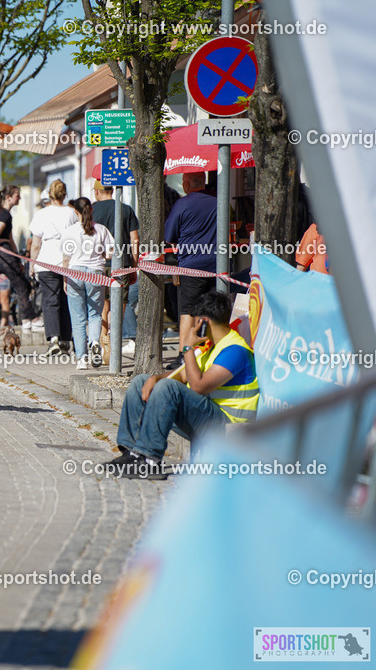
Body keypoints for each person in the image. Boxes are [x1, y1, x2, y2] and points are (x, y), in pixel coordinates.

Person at [106, 291, 259, 479]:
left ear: (203, 322)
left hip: (227, 426)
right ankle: (132, 454)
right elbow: (184, 374)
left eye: (195, 322)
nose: (193, 327)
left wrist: (187, 348)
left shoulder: (234, 350)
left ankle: (150, 461)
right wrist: (154, 379)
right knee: (141, 382)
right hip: (210, 416)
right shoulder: (212, 346)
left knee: (168, 388)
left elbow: (198, 386)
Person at [164, 172, 218, 367]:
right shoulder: (218, 201)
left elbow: (169, 236)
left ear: (186, 184)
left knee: (187, 311)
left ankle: (183, 356)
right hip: (217, 265)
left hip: (190, 266)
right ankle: (210, 352)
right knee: (211, 310)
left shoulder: (182, 204)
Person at [64, 198, 114, 369]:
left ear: (75, 211)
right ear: (91, 210)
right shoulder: (101, 229)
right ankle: (94, 342)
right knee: (95, 314)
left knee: (77, 318)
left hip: (75, 273)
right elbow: (111, 253)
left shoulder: (70, 231)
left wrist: (65, 280)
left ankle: (82, 359)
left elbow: (66, 258)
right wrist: (101, 254)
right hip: (96, 274)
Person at [29, 179, 78, 355]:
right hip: (67, 261)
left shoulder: (41, 214)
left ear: (50, 195)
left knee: (50, 301)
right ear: (65, 194)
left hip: (46, 261)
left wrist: (32, 264)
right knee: (66, 301)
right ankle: (66, 339)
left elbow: (36, 244)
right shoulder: (71, 213)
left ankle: (54, 339)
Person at [92, 181, 140, 355]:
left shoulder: (92, 210)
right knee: (120, 304)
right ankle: (114, 341)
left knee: (102, 304)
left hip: (99, 263)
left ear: (97, 192)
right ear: (112, 190)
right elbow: (135, 239)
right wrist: (134, 265)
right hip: (123, 264)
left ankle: (102, 340)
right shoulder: (126, 209)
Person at [0, 185, 39, 333]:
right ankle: (32, 319)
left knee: (23, 285)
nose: (20, 198)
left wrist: (18, 258)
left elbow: (10, 238)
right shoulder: (4, 216)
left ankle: (26, 320)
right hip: (3, 257)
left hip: (7, 256)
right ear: (8, 197)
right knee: (22, 286)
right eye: (17, 195)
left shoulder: (3, 214)